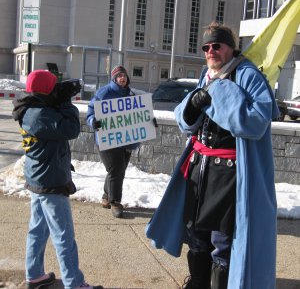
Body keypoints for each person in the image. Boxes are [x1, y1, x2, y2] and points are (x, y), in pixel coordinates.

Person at [146, 22, 279, 289]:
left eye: (216, 45)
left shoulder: (249, 76)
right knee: (196, 237)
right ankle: (197, 284)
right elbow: (186, 118)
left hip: (228, 175)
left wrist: (218, 91)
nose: (210, 51)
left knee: (222, 243)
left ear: (231, 48)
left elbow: (255, 122)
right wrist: (193, 105)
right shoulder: (207, 75)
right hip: (200, 169)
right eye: (206, 47)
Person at [12, 70, 103, 289]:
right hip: (50, 182)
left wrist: (57, 98)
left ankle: (34, 275)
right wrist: (65, 101)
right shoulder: (39, 115)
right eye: (54, 86)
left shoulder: (33, 108)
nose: (58, 89)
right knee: (64, 236)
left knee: (38, 229)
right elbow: (71, 129)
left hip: (40, 178)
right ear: (45, 91)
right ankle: (74, 283)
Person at [86, 65, 139, 218]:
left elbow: (137, 115)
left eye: (124, 76)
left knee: (116, 170)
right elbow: (90, 111)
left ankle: (106, 196)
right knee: (117, 170)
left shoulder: (131, 94)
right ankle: (115, 202)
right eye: (119, 76)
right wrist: (93, 121)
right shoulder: (104, 92)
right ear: (114, 78)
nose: (122, 78)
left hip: (126, 140)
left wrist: (149, 121)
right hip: (106, 139)